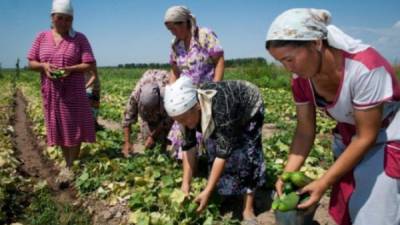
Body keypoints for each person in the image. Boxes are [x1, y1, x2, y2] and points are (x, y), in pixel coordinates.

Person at [265, 8, 400, 225]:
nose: (288, 68)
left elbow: (366, 136)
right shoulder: (301, 78)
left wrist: (324, 181)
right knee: (350, 204)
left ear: (316, 43)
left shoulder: (365, 69)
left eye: (290, 59)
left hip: (385, 137)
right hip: (349, 136)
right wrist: (287, 172)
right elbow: (305, 129)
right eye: (281, 61)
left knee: (375, 214)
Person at [163, 76, 266, 224]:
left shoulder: (221, 108)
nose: (183, 123)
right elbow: (189, 148)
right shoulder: (185, 114)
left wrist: (208, 190)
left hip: (248, 107)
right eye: (179, 120)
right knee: (212, 148)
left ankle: (248, 208)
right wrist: (185, 184)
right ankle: (226, 192)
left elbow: (222, 155)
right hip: (222, 114)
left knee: (247, 154)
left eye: (185, 119)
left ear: (197, 106)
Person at [27, 0, 96, 187]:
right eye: (60, 18)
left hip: (74, 91)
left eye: (68, 19)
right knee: (61, 128)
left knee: (75, 128)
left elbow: (89, 64)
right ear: (52, 17)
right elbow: (31, 62)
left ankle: (70, 166)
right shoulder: (42, 37)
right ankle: (68, 162)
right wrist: (43, 66)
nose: (64, 22)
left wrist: (71, 69)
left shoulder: (79, 38)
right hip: (52, 92)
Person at [164, 5, 225, 158]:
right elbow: (174, 69)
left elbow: (219, 61)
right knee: (187, 129)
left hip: (206, 91)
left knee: (207, 127)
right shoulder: (175, 44)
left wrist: (215, 87)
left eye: (174, 28)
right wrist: (171, 90)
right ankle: (190, 164)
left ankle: (210, 162)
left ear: (185, 22)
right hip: (186, 96)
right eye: (170, 29)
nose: (173, 32)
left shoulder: (204, 35)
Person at [122, 69, 174, 157]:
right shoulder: (135, 97)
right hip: (149, 86)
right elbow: (127, 119)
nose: (151, 114)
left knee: (161, 137)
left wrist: (153, 136)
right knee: (147, 136)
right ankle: (152, 150)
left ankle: (162, 150)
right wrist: (127, 142)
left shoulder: (168, 96)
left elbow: (168, 119)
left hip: (163, 88)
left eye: (153, 110)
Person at [84, 66, 102, 130]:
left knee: (93, 108)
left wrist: (85, 87)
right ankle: (92, 125)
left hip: (92, 87)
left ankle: (93, 125)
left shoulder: (86, 59)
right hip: (88, 87)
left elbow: (93, 76)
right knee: (92, 108)